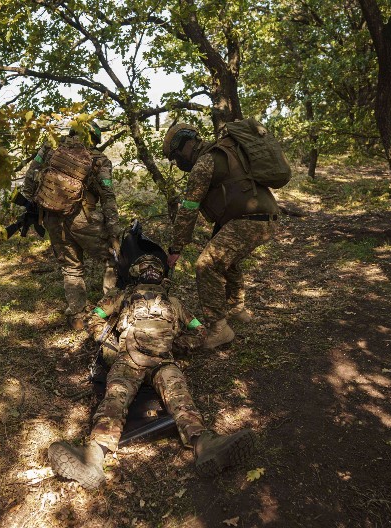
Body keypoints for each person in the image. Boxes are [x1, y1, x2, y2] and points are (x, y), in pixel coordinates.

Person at [47, 254, 256, 490]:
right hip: (158, 361)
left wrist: (110, 342)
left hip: (131, 359)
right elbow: (199, 331)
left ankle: (94, 455)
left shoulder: (125, 296)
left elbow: (93, 318)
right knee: (179, 400)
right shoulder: (169, 302)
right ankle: (203, 443)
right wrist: (176, 345)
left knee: (115, 400)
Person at [163, 123, 280, 349]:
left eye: (177, 157)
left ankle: (219, 328)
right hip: (266, 218)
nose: (178, 164)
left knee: (206, 265)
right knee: (226, 259)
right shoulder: (225, 151)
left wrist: (176, 248)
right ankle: (237, 309)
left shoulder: (203, 163)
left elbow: (188, 209)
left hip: (250, 221)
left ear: (186, 146)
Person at [20, 121, 121, 330]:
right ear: (94, 138)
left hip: (52, 217)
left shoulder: (49, 149)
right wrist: (114, 233)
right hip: (85, 218)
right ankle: (109, 312)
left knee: (71, 267)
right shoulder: (99, 160)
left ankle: (77, 317)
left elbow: (30, 178)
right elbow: (108, 196)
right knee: (113, 259)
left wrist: (32, 206)